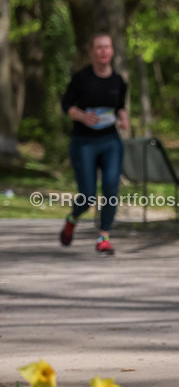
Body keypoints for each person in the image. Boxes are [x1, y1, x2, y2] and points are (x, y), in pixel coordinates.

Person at [59, 33, 129, 255]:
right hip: (84, 142)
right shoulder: (81, 78)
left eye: (107, 47)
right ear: (92, 52)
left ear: (112, 51)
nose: (103, 51)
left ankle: (103, 237)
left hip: (110, 141)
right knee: (88, 194)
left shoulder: (119, 81)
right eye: (98, 47)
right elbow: (66, 105)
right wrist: (81, 116)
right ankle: (72, 219)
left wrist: (124, 116)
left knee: (111, 187)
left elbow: (119, 107)